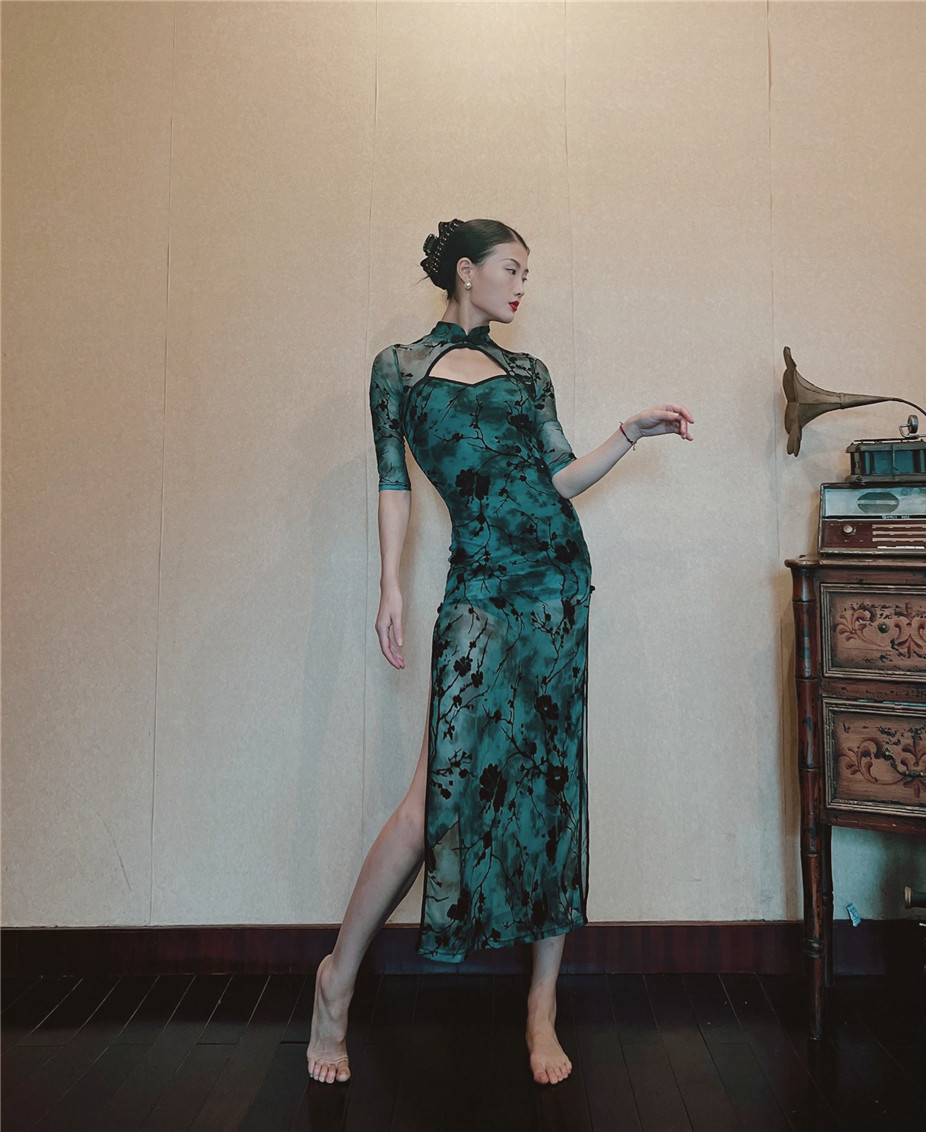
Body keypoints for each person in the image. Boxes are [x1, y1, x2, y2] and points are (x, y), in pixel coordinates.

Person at [307, 218, 693, 1087]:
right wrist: (390, 585)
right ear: (465, 270)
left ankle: (541, 1005)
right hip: (479, 586)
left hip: (558, 587)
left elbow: (557, 478)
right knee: (431, 801)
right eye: (511, 269)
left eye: (527, 273)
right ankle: (335, 981)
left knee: (554, 786)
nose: (522, 286)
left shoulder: (529, 373)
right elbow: (395, 482)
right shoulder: (399, 369)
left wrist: (629, 433)